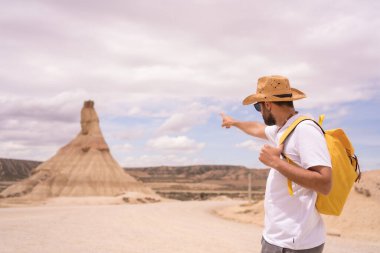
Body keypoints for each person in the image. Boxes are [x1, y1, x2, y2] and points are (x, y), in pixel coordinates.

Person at [221, 75, 332, 253]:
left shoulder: (304, 130)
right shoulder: (285, 128)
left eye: (258, 106)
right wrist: (234, 123)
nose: (259, 111)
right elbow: (257, 128)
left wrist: (275, 163)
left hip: (292, 243)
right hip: (281, 239)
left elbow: (325, 183)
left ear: (268, 104)